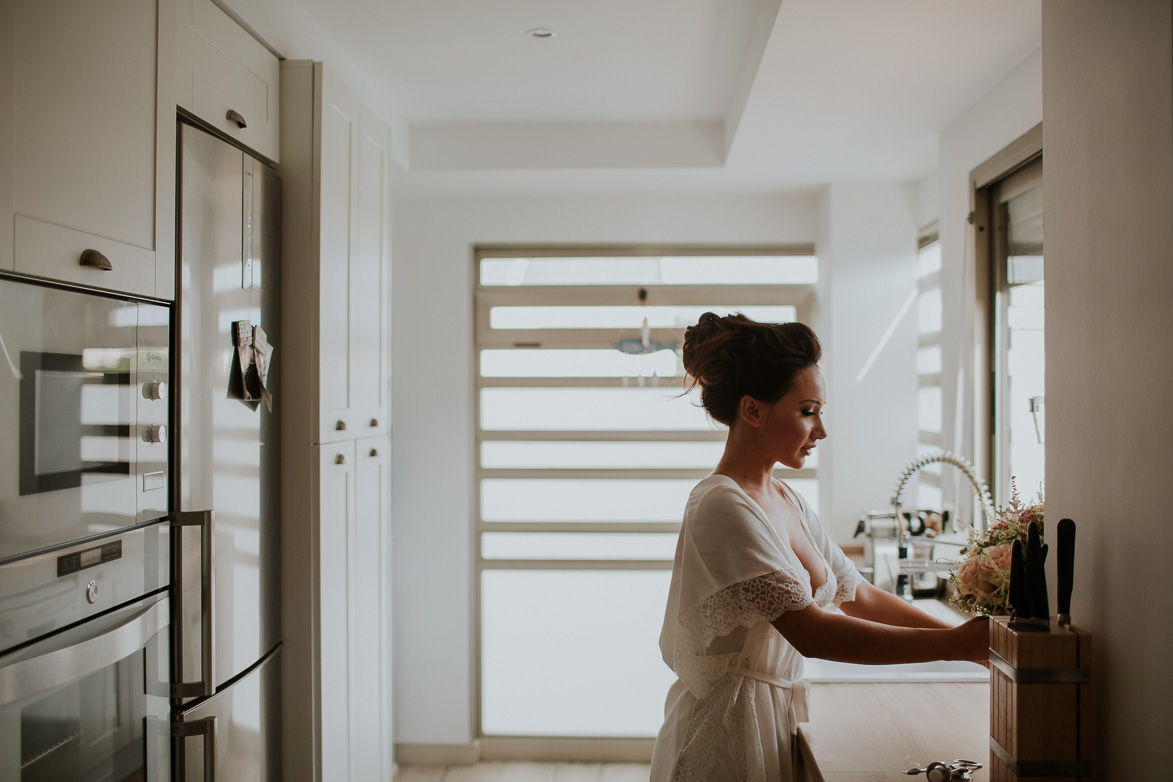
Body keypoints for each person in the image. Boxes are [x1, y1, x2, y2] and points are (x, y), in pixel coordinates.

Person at [649, 312, 989, 782]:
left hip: (775, 713)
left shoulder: (786, 498)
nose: (821, 430)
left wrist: (969, 646)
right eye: (808, 411)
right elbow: (813, 633)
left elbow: (860, 597)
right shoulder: (720, 505)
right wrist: (953, 644)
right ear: (753, 411)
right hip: (728, 732)